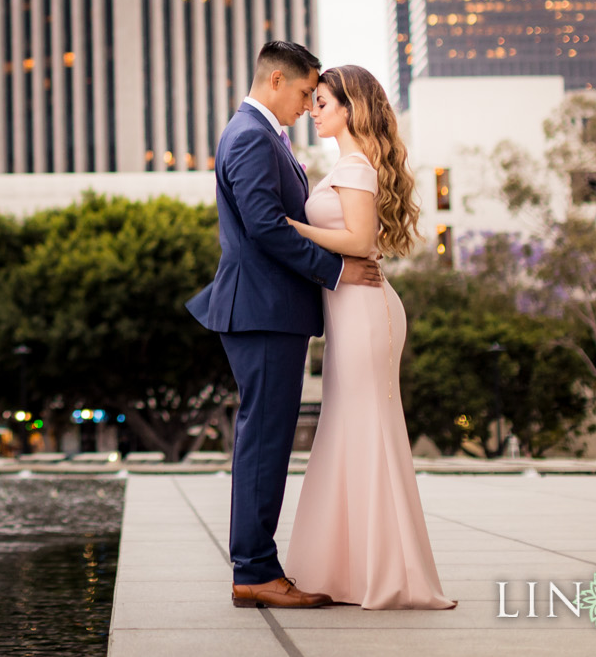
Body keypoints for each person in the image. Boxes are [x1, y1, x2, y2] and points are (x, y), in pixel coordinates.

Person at [187, 42, 384, 610]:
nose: (307, 105)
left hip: (268, 309)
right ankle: (254, 571)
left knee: (266, 438)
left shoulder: (260, 134)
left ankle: (257, 566)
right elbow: (268, 228)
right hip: (262, 309)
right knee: (265, 441)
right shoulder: (250, 135)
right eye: (304, 94)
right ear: (276, 81)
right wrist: (338, 270)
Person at [281, 65, 455, 609]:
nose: (314, 108)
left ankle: (387, 572)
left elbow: (357, 239)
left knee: (367, 427)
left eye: (325, 101)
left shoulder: (355, 167)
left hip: (364, 310)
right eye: (313, 101)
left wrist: (290, 227)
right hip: (349, 308)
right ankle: (352, 571)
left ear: (351, 108)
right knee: (347, 427)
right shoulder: (347, 165)